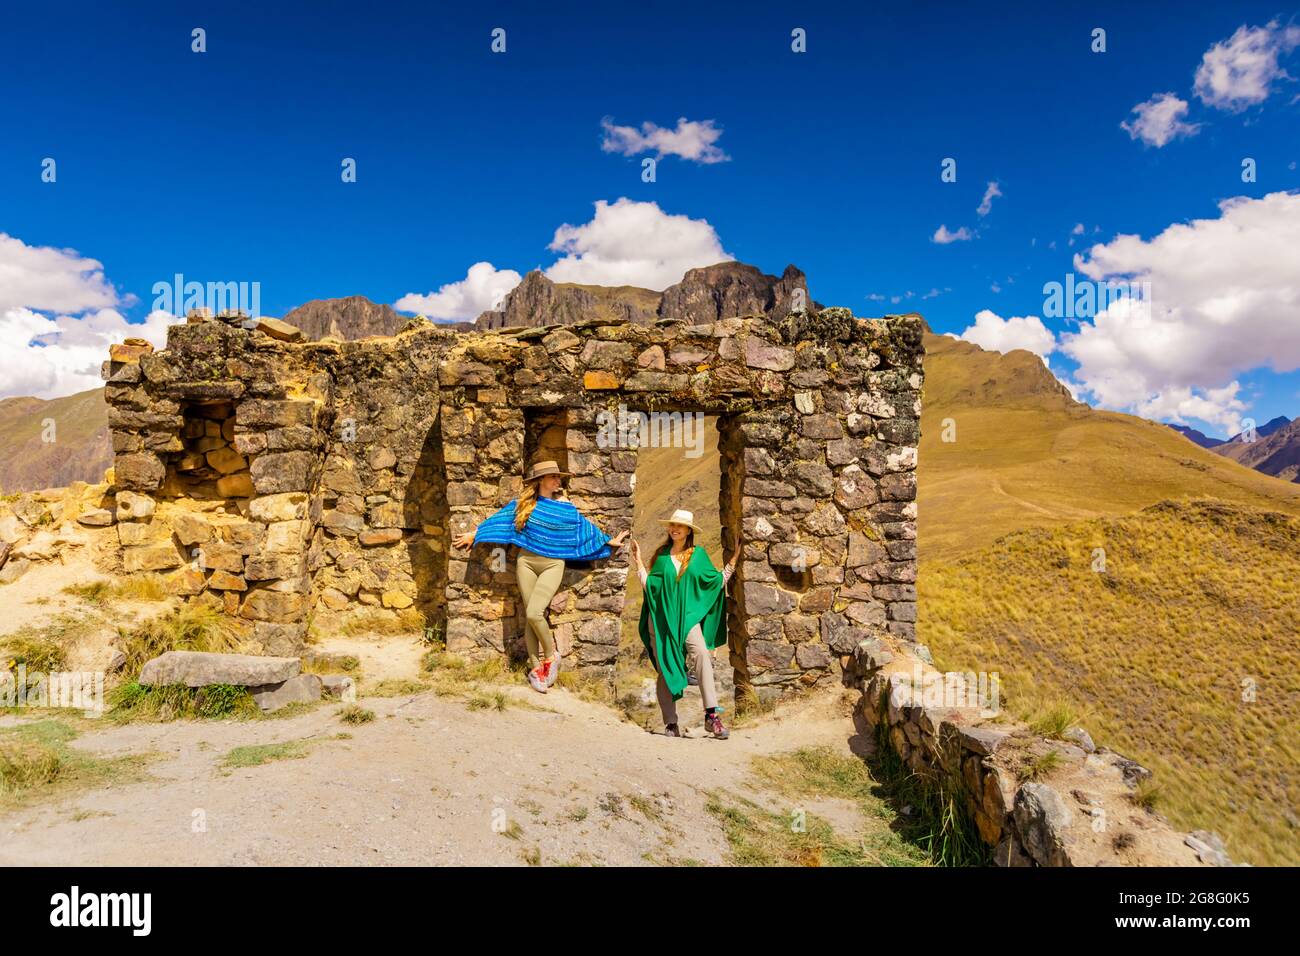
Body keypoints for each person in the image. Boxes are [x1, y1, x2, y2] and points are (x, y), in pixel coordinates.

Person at [452, 459, 628, 693]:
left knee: (536, 613)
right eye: (554, 477)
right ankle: (537, 671)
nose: (558, 480)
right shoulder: (525, 505)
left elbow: (583, 529)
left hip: (552, 565)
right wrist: (475, 534)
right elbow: (499, 520)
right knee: (529, 614)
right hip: (526, 563)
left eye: (558, 477)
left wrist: (607, 541)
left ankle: (551, 656)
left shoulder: (565, 506)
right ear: (540, 480)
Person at [632, 508, 737, 739]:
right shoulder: (661, 556)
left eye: (680, 526)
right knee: (666, 668)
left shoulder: (697, 555)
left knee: (701, 654)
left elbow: (714, 582)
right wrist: (638, 561)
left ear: (689, 530)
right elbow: (651, 586)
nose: (675, 529)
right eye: (672, 525)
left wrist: (732, 564)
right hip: (660, 621)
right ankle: (671, 723)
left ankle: (712, 716)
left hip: (687, 620)